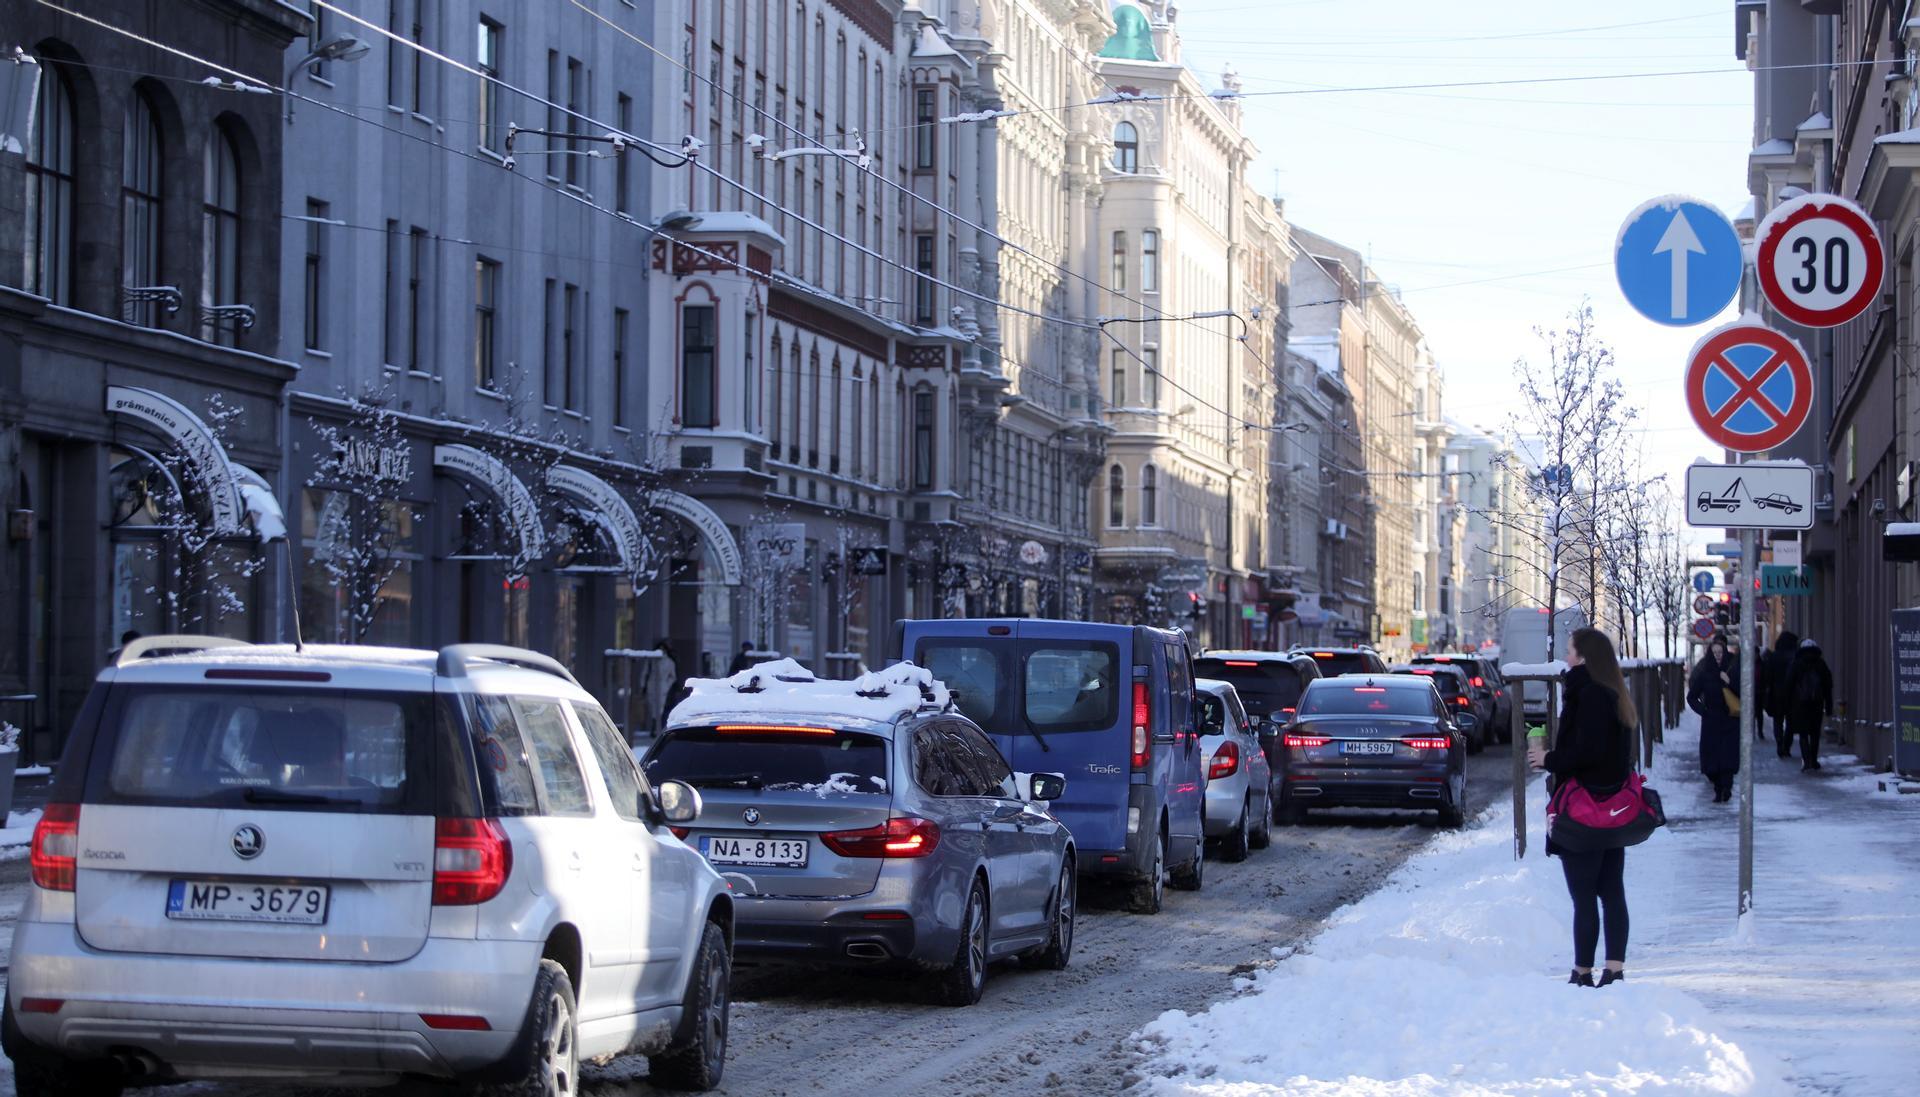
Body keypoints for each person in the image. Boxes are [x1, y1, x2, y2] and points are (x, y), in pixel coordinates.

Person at [1529, 627, 1637, 988]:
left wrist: (1549, 758)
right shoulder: (1615, 692)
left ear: (1584, 657)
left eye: (1570, 651)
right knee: (1612, 892)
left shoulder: (1588, 694)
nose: (1566, 656)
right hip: (1612, 809)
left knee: (1584, 895)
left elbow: (1586, 752)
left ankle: (1582, 972)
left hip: (1584, 811)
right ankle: (1615, 968)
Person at [1686, 636, 1742, 803]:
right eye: (1714, 652)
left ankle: (1726, 789)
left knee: (1728, 758)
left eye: (1720, 652)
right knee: (1712, 759)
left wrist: (1730, 682)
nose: (1718, 655)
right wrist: (1704, 712)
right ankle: (1718, 788)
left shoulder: (1733, 669)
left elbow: (1743, 693)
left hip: (1730, 720)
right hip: (1711, 721)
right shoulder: (1705, 672)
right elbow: (1692, 697)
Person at [1783, 638, 1834, 772]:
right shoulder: (1821, 664)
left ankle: (1806, 761)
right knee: (1815, 733)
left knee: (1803, 734)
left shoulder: (1796, 664)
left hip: (1800, 704)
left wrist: (1787, 705)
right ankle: (1814, 760)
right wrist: (1828, 705)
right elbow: (1828, 685)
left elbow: (1789, 684)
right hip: (1817, 704)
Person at [1761, 630, 1800, 758]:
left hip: (1776, 694)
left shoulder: (1774, 657)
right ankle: (1786, 746)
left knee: (1778, 721)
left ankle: (1779, 744)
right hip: (1793, 694)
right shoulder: (1795, 656)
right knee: (1791, 721)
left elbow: (1767, 677)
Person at [646, 640, 679, 732]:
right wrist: (643, 685)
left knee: (660, 707)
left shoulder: (669, 662)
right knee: (652, 706)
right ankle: (654, 726)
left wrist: (666, 684)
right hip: (651, 685)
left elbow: (673, 676)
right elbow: (645, 673)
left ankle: (656, 728)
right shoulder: (651, 660)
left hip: (662, 686)